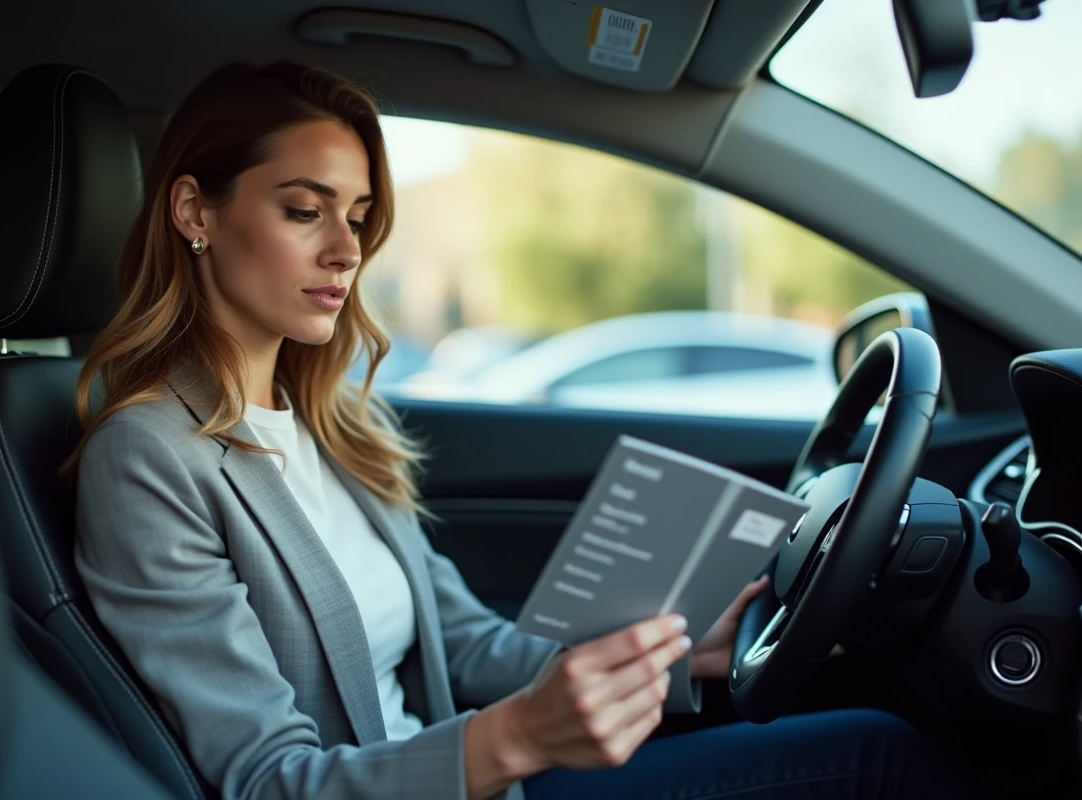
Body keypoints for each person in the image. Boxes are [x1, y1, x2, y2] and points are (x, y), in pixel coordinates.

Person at [70, 60, 974, 800]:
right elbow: (267, 784)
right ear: (194, 212)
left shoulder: (336, 423)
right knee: (880, 758)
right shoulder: (148, 456)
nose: (346, 249)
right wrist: (514, 739)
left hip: (493, 779)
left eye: (358, 217)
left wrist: (671, 655)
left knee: (867, 732)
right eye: (305, 211)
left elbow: (466, 646)